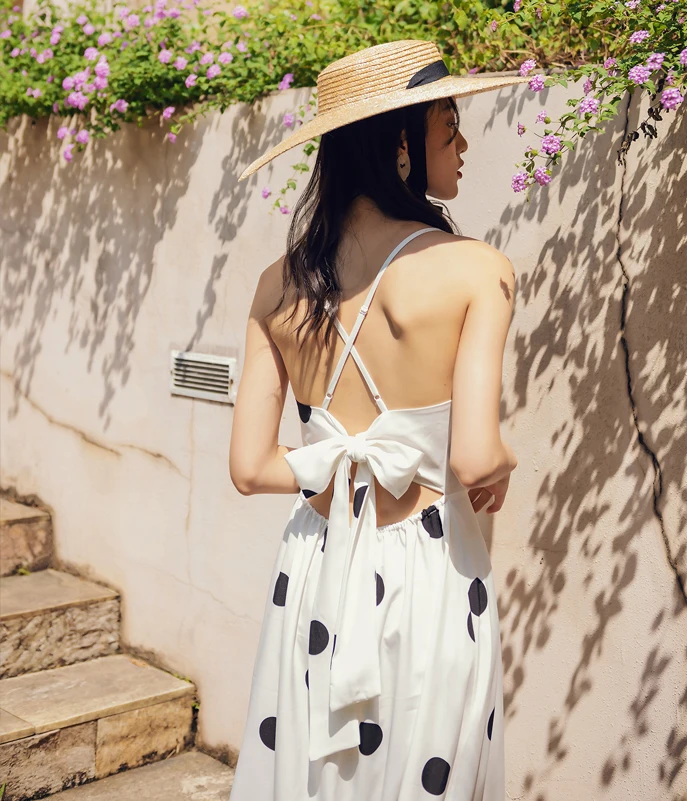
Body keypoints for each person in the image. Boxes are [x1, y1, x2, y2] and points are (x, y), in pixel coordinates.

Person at [228, 39, 522, 801]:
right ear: (400, 142)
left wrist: (339, 461)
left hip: (316, 565)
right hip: (430, 568)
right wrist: (501, 461)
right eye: (449, 127)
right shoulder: (476, 267)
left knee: (312, 773)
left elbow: (251, 468)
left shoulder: (276, 283)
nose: (463, 146)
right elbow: (473, 458)